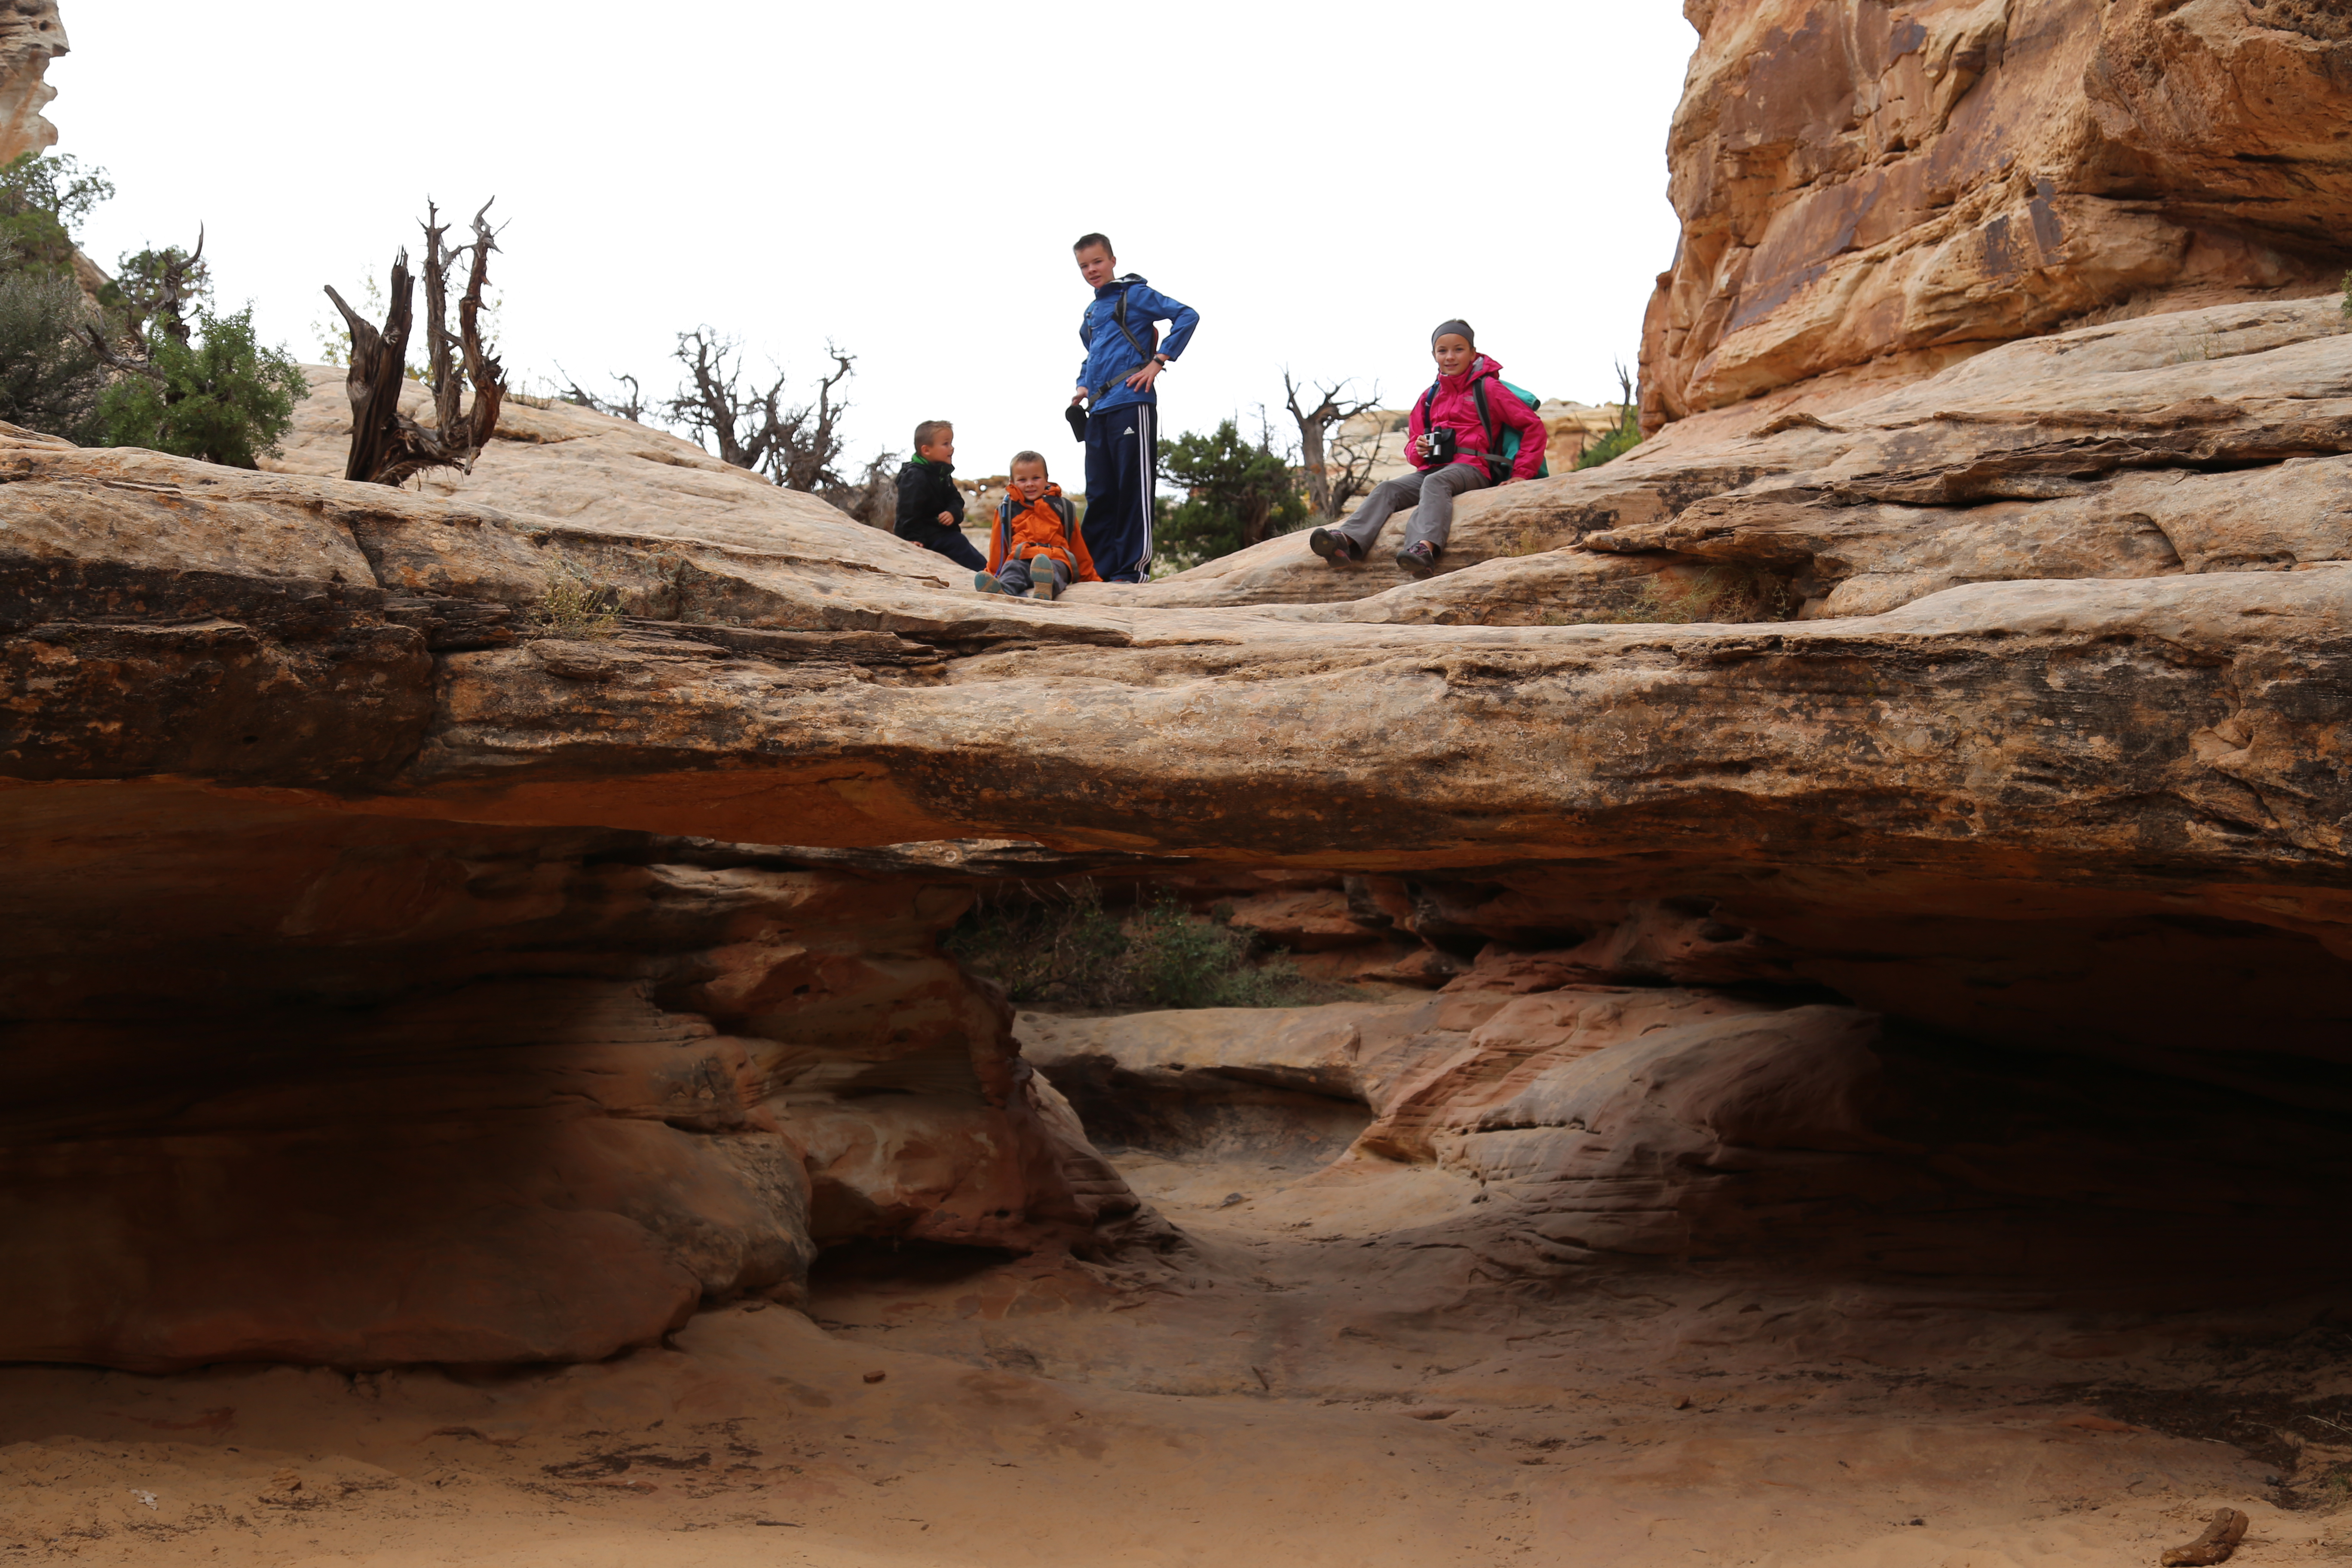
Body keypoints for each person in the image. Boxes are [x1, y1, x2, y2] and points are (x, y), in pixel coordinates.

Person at [1309, 319, 1546, 578]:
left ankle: (1424, 549)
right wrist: (1418, 448)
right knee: (1389, 488)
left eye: (1459, 349)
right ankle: (1346, 541)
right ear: (1434, 355)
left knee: (1435, 482)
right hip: (1436, 467)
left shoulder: (1488, 388)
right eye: (1442, 351)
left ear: (1473, 353)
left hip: (1474, 469)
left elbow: (1532, 427)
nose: (1450, 357)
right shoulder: (1430, 396)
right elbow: (1413, 445)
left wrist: (1521, 474)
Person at [1070, 233, 1199, 584]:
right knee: (1099, 492)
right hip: (1098, 409)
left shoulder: (1135, 295)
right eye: (1084, 266)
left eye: (1097, 262)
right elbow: (1093, 351)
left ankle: (1131, 571)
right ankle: (1094, 571)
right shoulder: (1093, 311)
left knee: (1133, 489)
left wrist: (1159, 361)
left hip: (1132, 402)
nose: (1092, 270)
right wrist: (1083, 384)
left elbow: (1187, 315)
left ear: (1112, 260)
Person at [974, 449, 1099, 600]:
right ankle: (1004, 590)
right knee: (1013, 569)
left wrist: (1091, 579)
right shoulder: (1007, 509)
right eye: (1022, 480)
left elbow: (1078, 546)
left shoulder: (1062, 507)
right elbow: (998, 548)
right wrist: (992, 573)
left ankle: (1045, 589)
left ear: (1046, 479)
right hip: (1022, 557)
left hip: (1057, 559)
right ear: (1012, 482)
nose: (1030, 484)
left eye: (1036, 478)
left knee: (1055, 571)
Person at [894, 419, 985, 570]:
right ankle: (989, 573)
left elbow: (955, 499)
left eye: (951, 443)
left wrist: (952, 513)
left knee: (959, 543)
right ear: (927, 450)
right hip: (926, 536)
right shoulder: (915, 476)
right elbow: (908, 510)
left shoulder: (942, 473)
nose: (952, 448)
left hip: (939, 533)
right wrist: (913, 538)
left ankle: (991, 572)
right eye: (946, 444)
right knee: (958, 544)